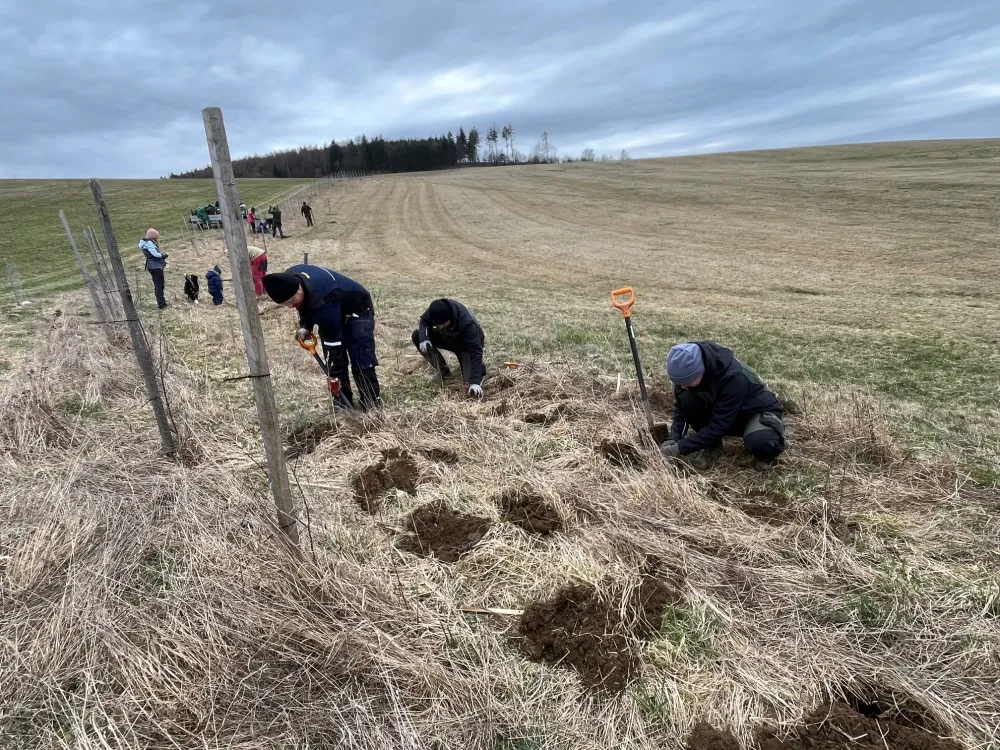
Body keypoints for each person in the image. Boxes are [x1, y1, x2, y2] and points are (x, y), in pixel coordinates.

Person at [263, 265, 381, 410]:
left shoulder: (323, 299)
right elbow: (305, 303)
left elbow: (333, 343)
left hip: (357, 309)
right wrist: (305, 325)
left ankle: (371, 404)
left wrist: (334, 375)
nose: (290, 306)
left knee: (360, 357)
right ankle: (343, 404)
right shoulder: (289, 280)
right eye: (285, 303)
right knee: (334, 362)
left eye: (292, 301)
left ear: (299, 288)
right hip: (331, 308)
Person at [658, 341, 785, 472]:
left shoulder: (733, 377)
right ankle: (712, 445)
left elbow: (719, 425)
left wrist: (679, 448)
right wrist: (674, 438)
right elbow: (681, 409)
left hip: (755, 411)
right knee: (688, 400)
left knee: (761, 441)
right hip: (726, 411)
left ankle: (764, 454)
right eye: (678, 383)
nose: (682, 386)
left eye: (686, 382)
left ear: (700, 371)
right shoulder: (686, 374)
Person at [411, 298, 485, 399]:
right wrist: (424, 338)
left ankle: (479, 370)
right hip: (447, 338)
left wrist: (475, 382)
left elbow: (476, 351)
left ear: (451, 317)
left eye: (443, 324)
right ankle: (443, 371)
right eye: (438, 324)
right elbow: (425, 320)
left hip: (465, 347)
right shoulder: (437, 309)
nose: (440, 327)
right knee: (417, 336)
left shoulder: (467, 323)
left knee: (468, 388)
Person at [138, 228, 168, 309]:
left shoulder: (145, 243)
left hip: (151, 265)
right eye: (156, 237)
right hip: (155, 266)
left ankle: (161, 302)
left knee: (157, 285)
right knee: (159, 285)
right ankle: (161, 304)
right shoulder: (149, 243)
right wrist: (163, 255)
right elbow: (155, 254)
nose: (157, 239)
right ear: (153, 237)